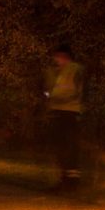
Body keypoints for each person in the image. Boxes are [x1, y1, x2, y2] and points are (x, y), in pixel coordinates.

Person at [45, 44, 84, 192]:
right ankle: (65, 179)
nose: (56, 60)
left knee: (68, 147)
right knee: (60, 147)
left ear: (65, 56)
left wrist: (54, 98)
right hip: (58, 111)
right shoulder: (56, 71)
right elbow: (50, 90)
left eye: (58, 56)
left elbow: (74, 91)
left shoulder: (74, 69)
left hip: (69, 111)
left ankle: (70, 180)